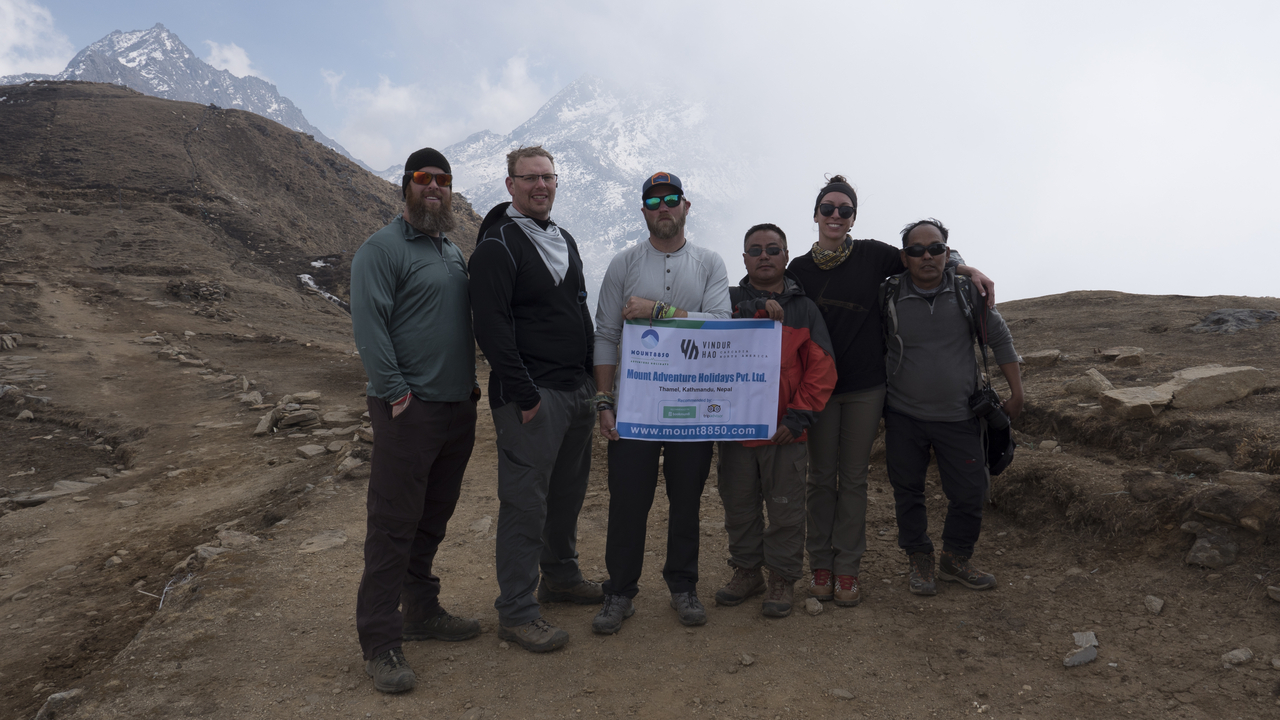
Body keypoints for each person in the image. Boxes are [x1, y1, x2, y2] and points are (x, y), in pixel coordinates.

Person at [787, 175, 994, 607]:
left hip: (866, 389)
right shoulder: (798, 271)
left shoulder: (873, 254)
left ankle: (848, 570)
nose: (836, 216)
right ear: (816, 215)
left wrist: (964, 265)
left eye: (845, 210)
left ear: (854, 217)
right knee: (821, 478)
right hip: (818, 391)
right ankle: (820, 564)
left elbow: (925, 256)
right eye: (829, 208)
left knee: (856, 478)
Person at [349, 147, 481, 694]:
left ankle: (421, 611)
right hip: (410, 410)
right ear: (404, 186)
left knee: (432, 518)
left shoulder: (451, 249)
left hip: (456, 407)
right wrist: (396, 392)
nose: (435, 187)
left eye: (443, 180)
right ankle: (380, 642)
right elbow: (370, 324)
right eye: (424, 179)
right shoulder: (381, 249)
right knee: (393, 523)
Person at [469, 146, 599, 654]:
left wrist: (590, 381)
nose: (540, 186)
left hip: (574, 391)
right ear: (510, 185)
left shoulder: (563, 239)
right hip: (532, 398)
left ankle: (561, 578)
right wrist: (524, 394)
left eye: (548, 177)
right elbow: (492, 327)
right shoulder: (498, 245)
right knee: (525, 504)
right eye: (530, 178)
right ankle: (518, 612)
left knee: (565, 496)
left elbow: (579, 310)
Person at [591, 171, 731, 634]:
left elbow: (719, 324)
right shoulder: (623, 263)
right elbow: (607, 335)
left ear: (686, 206)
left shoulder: (710, 263)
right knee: (628, 501)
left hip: (692, 405)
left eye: (672, 199)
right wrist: (604, 400)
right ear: (644, 210)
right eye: (654, 201)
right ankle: (619, 592)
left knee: (686, 498)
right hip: (635, 407)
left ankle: (683, 585)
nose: (663, 207)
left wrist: (659, 312)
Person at [882, 218, 1022, 594]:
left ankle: (955, 558)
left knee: (971, 492)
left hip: (960, 415)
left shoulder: (967, 292)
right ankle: (919, 559)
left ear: (947, 251)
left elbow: (999, 337)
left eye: (935, 248)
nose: (926, 256)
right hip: (903, 414)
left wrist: (1018, 392)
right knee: (907, 489)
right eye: (916, 250)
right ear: (903, 257)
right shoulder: (889, 295)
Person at [714, 223, 837, 618]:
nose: (764, 255)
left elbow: (822, 369)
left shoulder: (804, 309)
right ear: (745, 259)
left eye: (772, 249)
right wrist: (752, 310)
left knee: (784, 509)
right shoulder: (726, 301)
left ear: (786, 256)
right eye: (756, 250)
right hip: (734, 429)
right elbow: (703, 334)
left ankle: (782, 577)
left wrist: (798, 418)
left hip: (784, 432)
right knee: (739, 505)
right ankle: (747, 571)